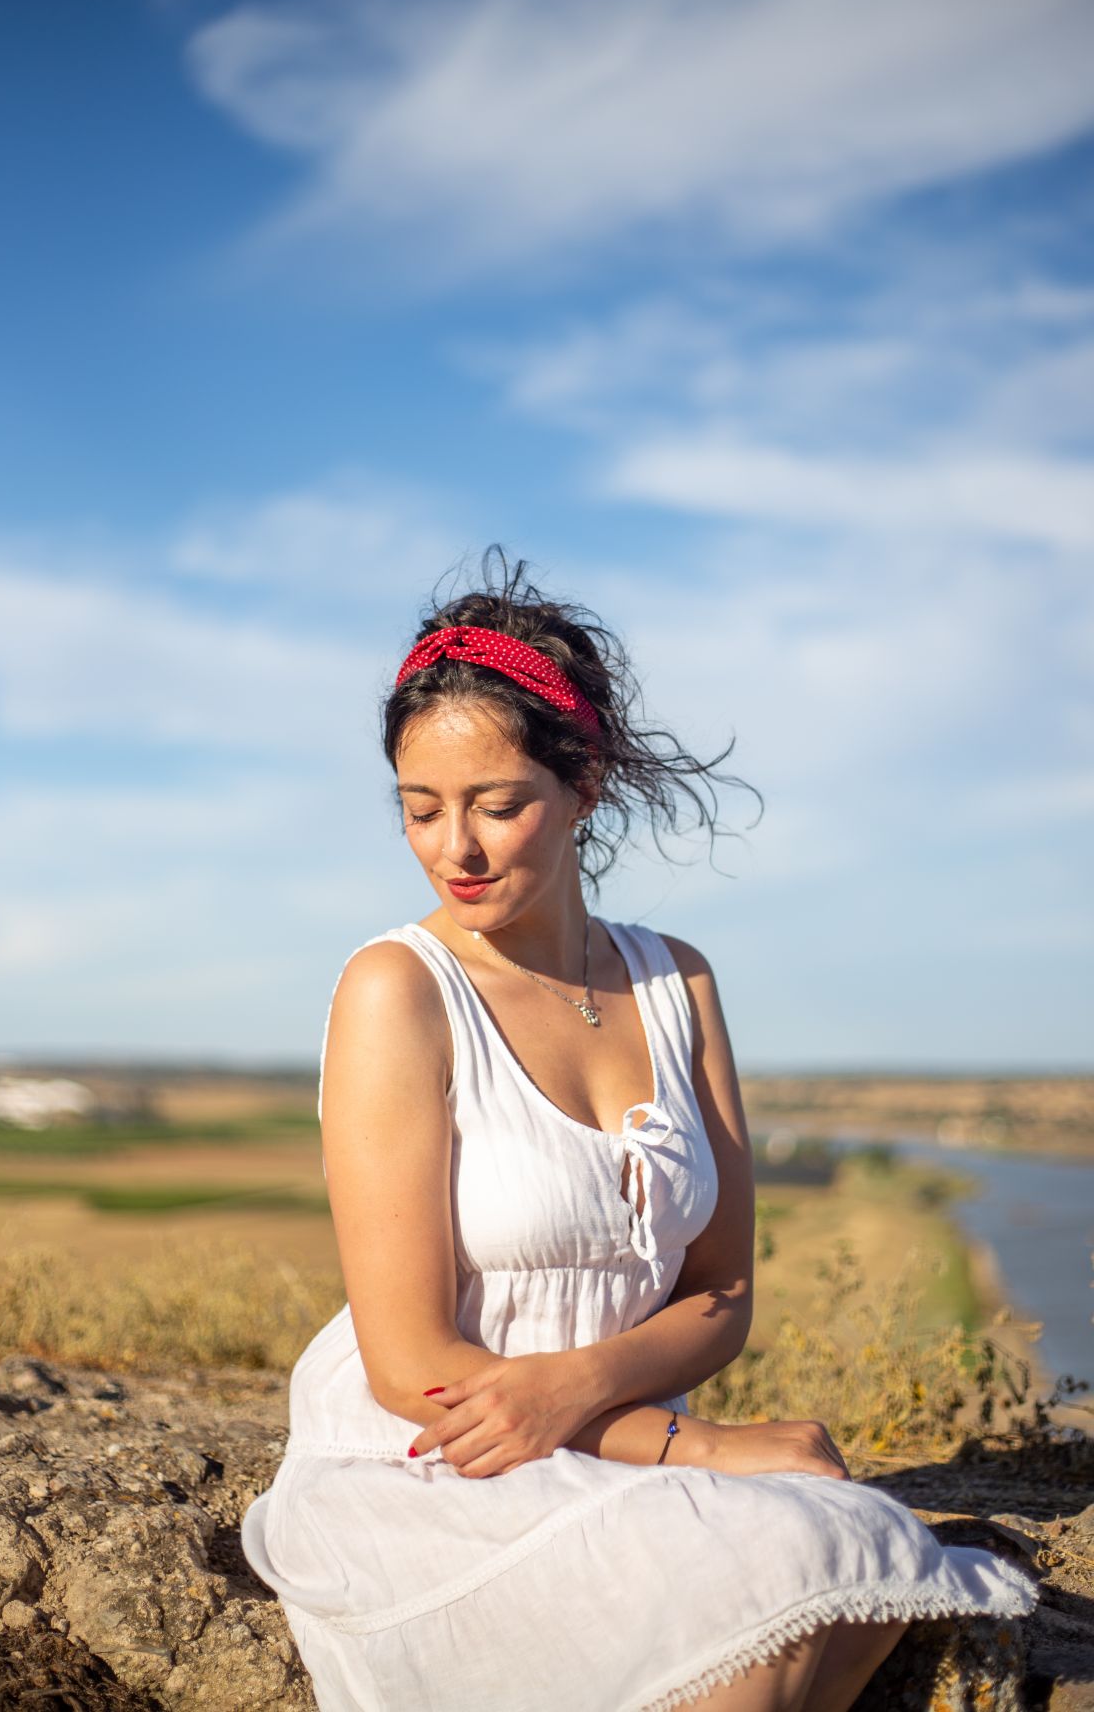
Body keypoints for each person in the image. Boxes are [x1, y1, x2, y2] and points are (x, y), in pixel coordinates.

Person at [241, 547, 1037, 1710]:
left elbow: (719, 1292)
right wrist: (700, 1446)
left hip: (602, 1444)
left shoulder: (679, 984)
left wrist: (593, 1389)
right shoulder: (395, 990)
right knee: (803, 1558)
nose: (454, 849)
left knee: (868, 1561)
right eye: (421, 810)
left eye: (497, 804)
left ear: (585, 787)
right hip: (435, 1464)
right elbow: (414, 1370)